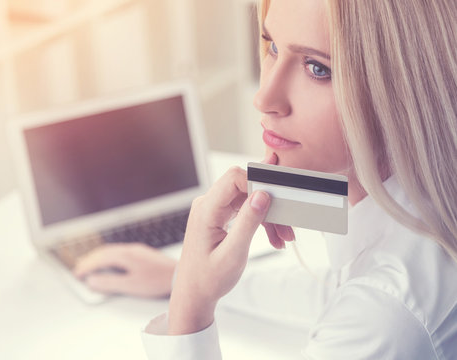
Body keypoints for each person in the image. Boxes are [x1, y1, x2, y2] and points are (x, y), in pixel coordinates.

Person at [75, 0, 457, 357]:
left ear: (404, 88)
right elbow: (330, 290)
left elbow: (369, 302)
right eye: (273, 46)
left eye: (317, 68)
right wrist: (177, 275)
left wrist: (190, 308)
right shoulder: (417, 197)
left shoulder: (382, 319)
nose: (264, 97)